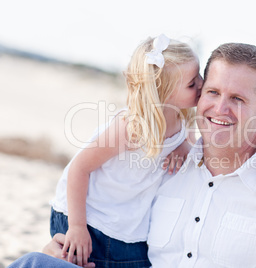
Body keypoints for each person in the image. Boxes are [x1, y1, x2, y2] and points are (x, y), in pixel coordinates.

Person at [9, 42, 256, 268]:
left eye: (237, 99)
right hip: (100, 240)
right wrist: (62, 247)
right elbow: (82, 170)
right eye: (211, 91)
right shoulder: (166, 157)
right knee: (36, 263)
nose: (219, 107)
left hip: (123, 249)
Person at [49, 34, 203, 267]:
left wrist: (184, 145)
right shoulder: (131, 127)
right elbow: (79, 168)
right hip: (88, 217)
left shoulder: (181, 118)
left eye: (199, 75)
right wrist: (77, 227)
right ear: (163, 93)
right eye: (192, 83)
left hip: (127, 223)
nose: (202, 84)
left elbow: (189, 144)